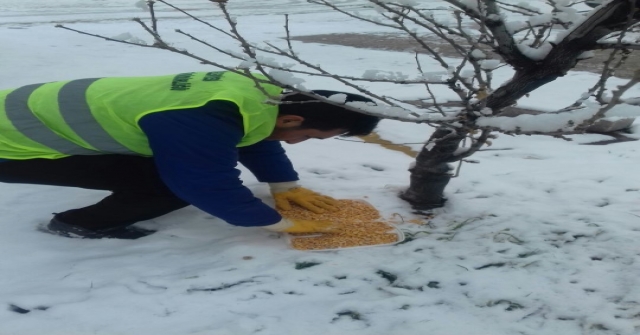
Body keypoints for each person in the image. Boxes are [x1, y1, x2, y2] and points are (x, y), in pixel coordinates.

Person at [0, 71, 380, 239]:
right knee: (171, 184)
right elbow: (202, 183)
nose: (302, 142)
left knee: (178, 165)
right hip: (12, 147)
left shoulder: (257, 91)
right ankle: (79, 225)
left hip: (18, 116)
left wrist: (283, 184)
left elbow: (255, 131)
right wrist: (276, 223)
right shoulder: (201, 118)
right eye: (311, 137)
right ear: (295, 118)